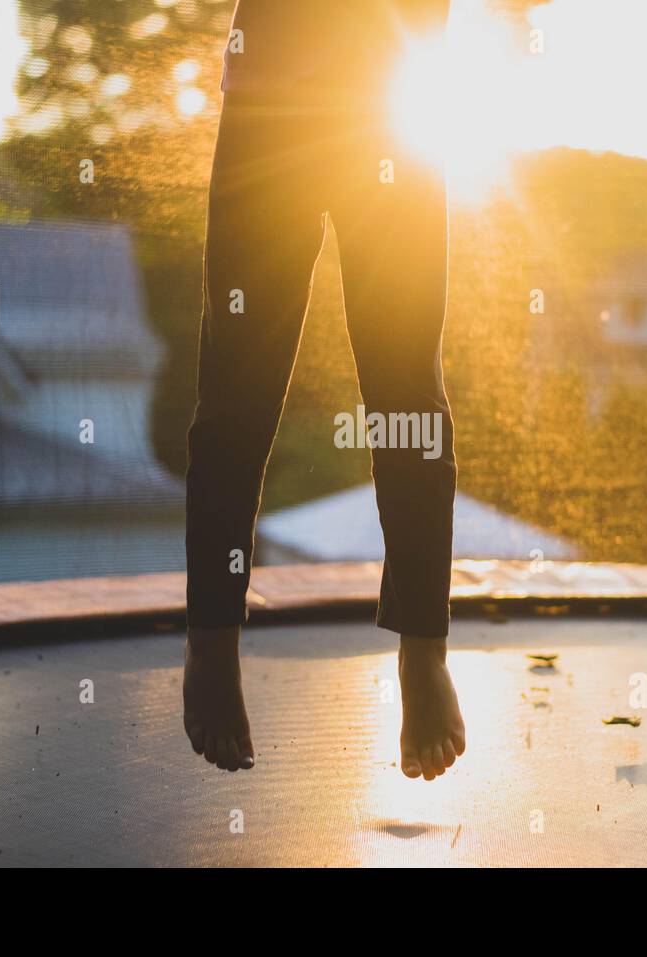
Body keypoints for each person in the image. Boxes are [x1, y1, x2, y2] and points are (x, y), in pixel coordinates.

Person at [181, 0, 465, 780]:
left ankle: (423, 650)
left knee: (409, 387)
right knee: (236, 389)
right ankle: (211, 639)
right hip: (274, 103)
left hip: (397, 106)